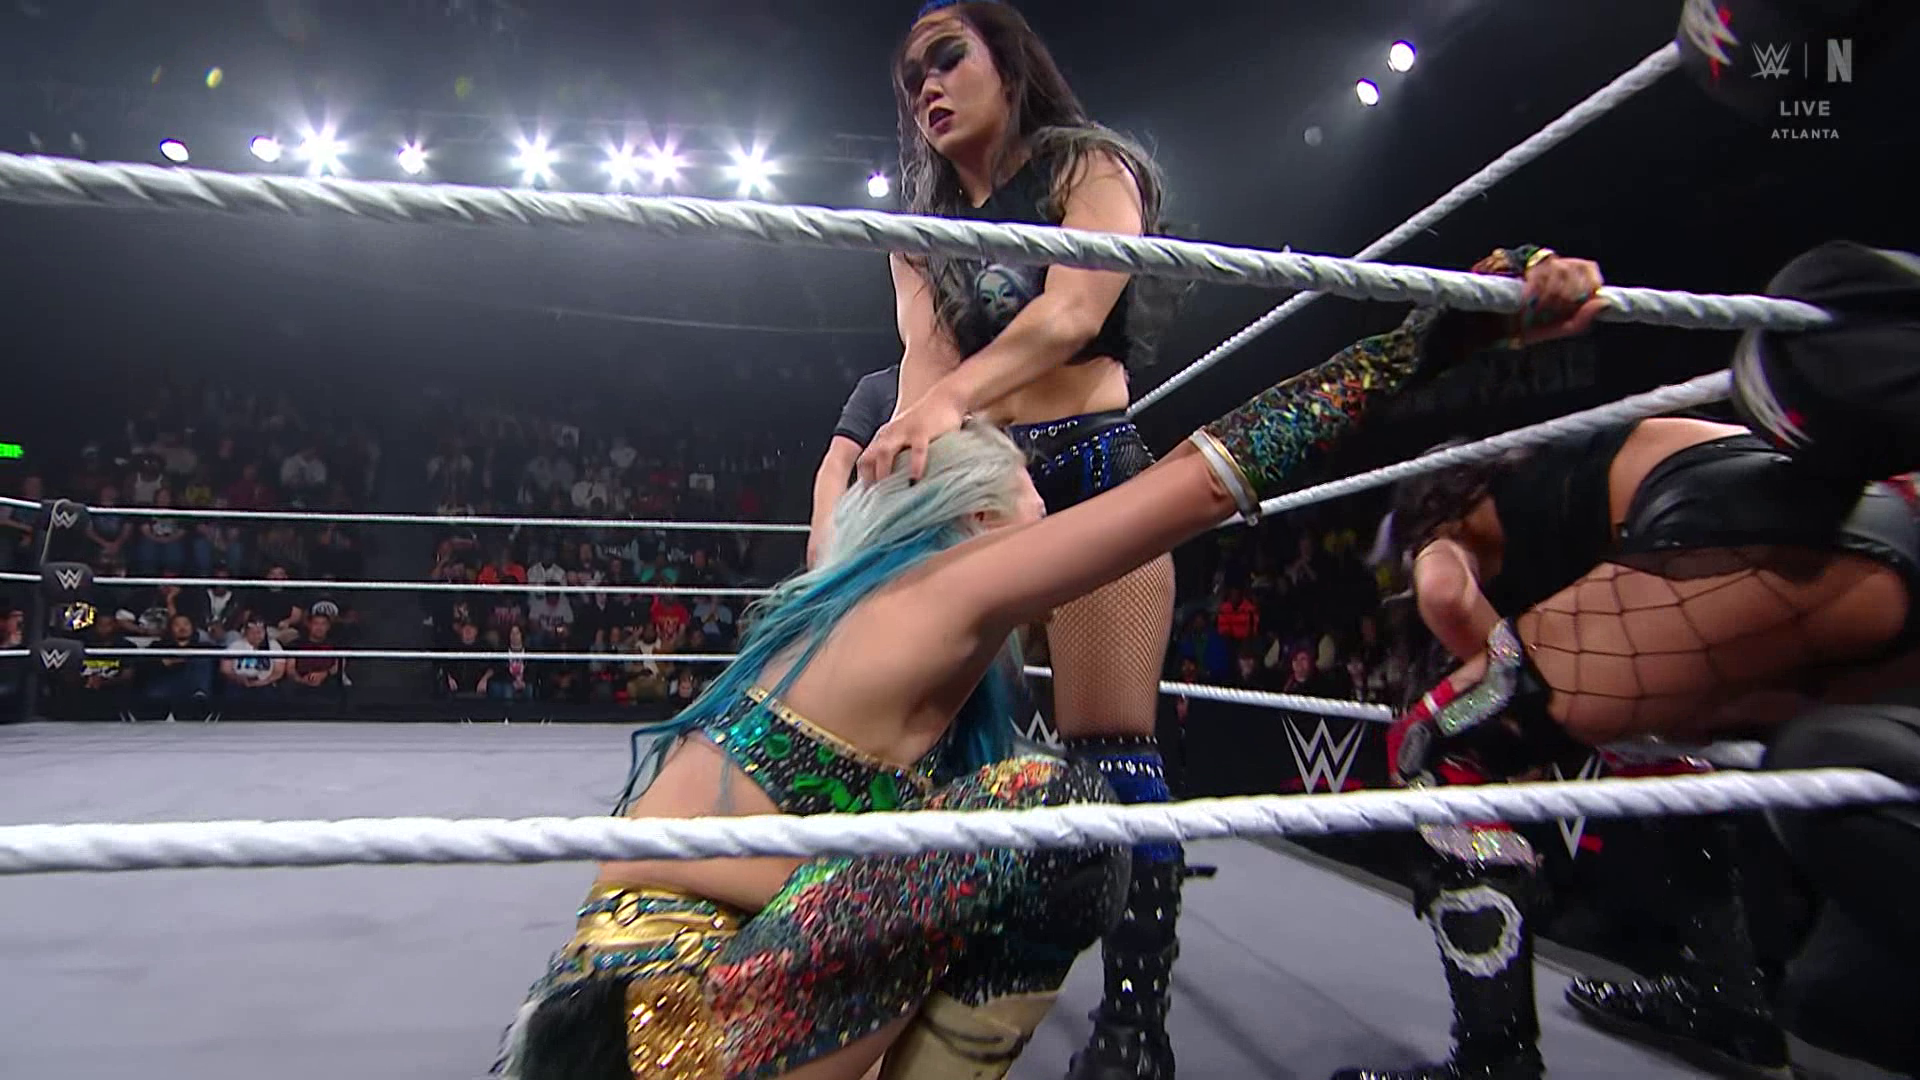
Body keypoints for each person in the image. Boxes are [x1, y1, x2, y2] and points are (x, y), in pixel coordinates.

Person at [495, 241, 1591, 1080]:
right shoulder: (939, 589)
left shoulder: (869, 616)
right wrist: (1419, 344)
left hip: (638, 1018)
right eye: (1028, 484)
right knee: (1048, 816)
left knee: (1001, 826)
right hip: (664, 1029)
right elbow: (1201, 486)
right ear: (976, 513)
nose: (1049, 499)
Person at [1367, 242, 1920, 1080]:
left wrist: (1512, 690)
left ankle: (1493, 1061)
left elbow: (1446, 599)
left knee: (1439, 743)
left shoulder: (1451, 520)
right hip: (1871, 529)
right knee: (1661, 762)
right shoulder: (1570, 473)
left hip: (1751, 538)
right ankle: (1726, 995)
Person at [859, 4, 1186, 1071]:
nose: (927, 87)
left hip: (1089, 465)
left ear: (1009, 62)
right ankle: (915, 992)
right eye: (911, 77)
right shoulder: (921, 228)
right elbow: (923, 364)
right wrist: (905, 489)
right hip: (986, 484)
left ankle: (1135, 1026)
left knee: (1113, 750)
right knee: (931, 744)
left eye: (947, 58)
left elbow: (1071, 314)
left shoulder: (1087, 166)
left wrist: (946, 405)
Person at [808, 364, 900, 568]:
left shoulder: (969, 384)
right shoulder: (879, 387)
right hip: (885, 532)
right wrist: (823, 529)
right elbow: (838, 461)